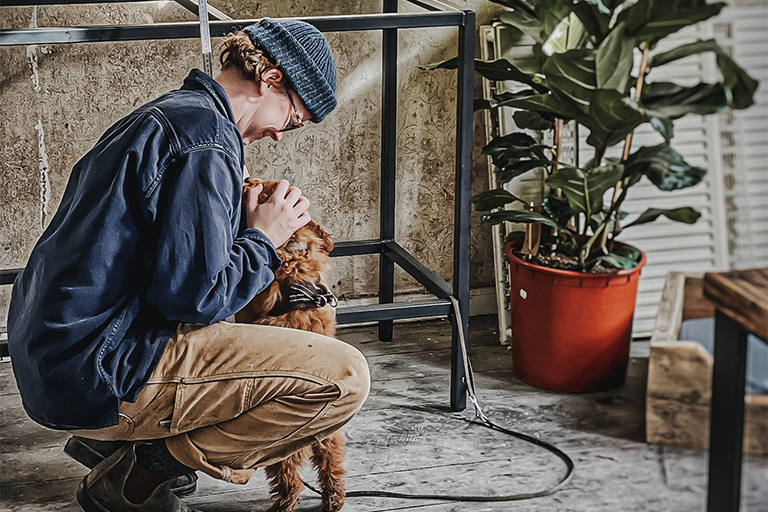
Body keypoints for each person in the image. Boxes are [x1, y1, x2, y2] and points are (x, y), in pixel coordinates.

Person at [7, 17, 370, 512]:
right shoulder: (207, 142)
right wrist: (264, 238)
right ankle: (136, 473)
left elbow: (161, 270)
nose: (281, 135)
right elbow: (194, 300)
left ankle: (111, 444)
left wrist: (235, 227)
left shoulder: (170, 116)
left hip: (56, 357)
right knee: (344, 376)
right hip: (95, 371)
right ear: (271, 78)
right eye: (292, 119)